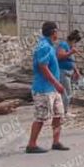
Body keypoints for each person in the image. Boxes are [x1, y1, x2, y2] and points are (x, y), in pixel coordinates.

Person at [26, 21, 68, 154]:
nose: (58, 34)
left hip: (53, 89)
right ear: (53, 32)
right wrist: (57, 83)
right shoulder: (44, 46)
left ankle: (56, 142)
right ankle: (31, 144)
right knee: (41, 117)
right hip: (44, 89)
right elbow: (43, 67)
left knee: (58, 114)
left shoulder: (50, 46)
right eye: (56, 31)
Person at [56, 30, 82, 118]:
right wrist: (71, 52)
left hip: (68, 73)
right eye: (75, 42)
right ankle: (64, 112)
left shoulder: (70, 47)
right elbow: (60, 56)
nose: (75, 45)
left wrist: (76, 70)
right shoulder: (64, 45)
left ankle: (62, 111)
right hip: (62, 71)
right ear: (73, 40)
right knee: (66, 92)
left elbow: (71, 61)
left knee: (67, 92)